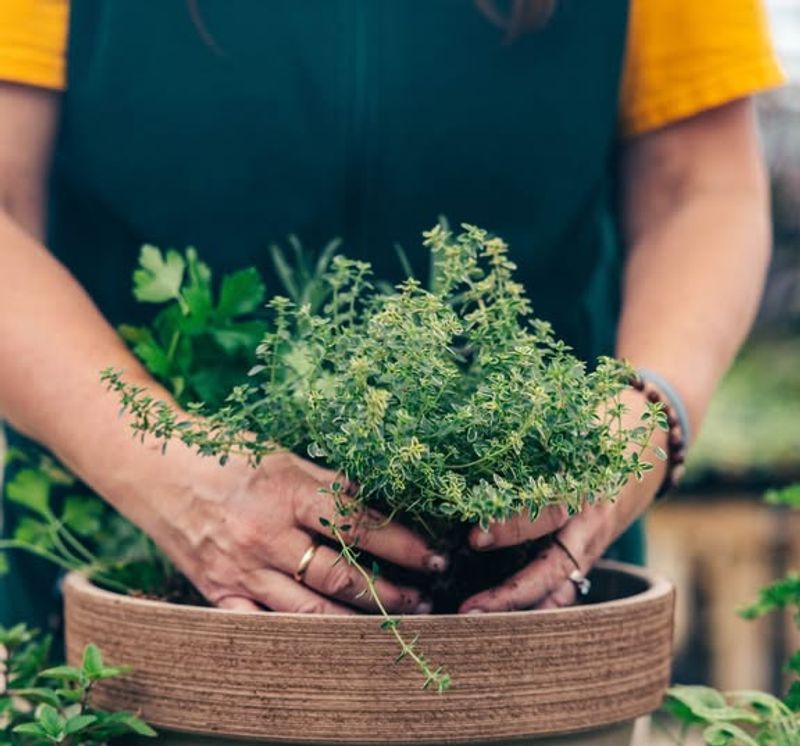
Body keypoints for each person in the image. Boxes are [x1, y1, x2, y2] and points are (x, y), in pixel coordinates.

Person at [0, 0, 785, 630]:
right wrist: (172, 474)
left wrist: (642, 423)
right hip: (117, 567)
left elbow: (701, 188)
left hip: (516, 599)